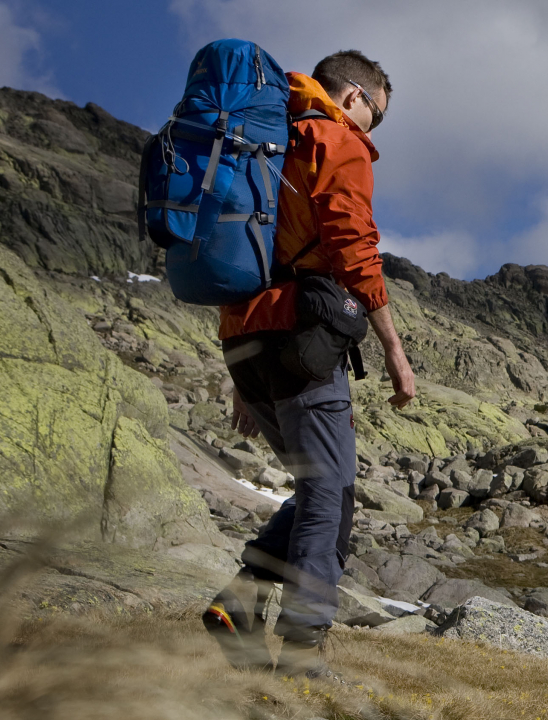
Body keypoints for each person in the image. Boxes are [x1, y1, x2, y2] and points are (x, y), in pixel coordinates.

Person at [201, 49, 415, 681]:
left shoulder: (257, 141)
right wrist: (394, 350)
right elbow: (353, 249)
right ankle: (300, 653)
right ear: (353, 97)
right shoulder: (331, 138)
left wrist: (244, 378)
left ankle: (239, 610)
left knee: (319, 488)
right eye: (376, 116)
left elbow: (241, 258)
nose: (372, 130)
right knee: (331, 499)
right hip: (303, 343)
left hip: (243, 343)